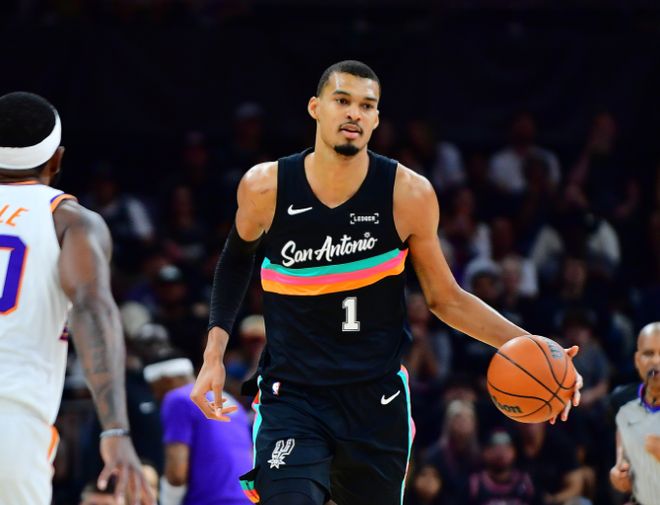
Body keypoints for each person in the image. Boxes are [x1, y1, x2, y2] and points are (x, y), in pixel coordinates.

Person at [190, 60, 583, 505]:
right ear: (315, 108)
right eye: (342, 101)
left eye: (366, 105)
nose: (353, 113)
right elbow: (235, 260)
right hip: (293, 397)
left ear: (376, 119)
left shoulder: (407, 194)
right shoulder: (266, 187)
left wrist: (534, 346)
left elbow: (446, 298)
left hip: (375, 403)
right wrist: (213, 355)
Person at [0, 92, 153, 505]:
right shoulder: (69, 220)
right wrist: (115, 430)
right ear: (56, 160)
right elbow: (93, 309)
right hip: (11, 418)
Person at [144, 353, 253, 505]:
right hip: (248, 498)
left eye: (154, 389)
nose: (155, 396)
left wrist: (168, 501)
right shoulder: (230, 401)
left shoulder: (177, 398)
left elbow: (176, 474)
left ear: (167, 380)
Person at [609, 322, 660, 505]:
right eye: (649, 353)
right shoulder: (623, 401)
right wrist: (619, 476)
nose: (656, 361)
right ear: (637, 360)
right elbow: (622, 468)